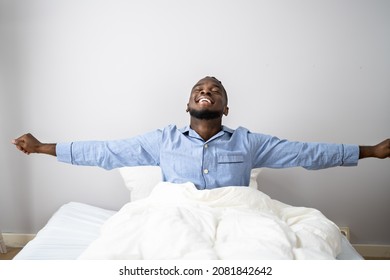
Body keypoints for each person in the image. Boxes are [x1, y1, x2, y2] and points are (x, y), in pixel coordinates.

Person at [12, 76, 390, 189]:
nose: (205, 92)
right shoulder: (163, 140)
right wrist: (44, 146)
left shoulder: (250, 142)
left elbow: (306, 153)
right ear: (188, 104)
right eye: (199, 90)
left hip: (238, 217)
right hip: (177, 216)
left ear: (225, 107)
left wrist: (372, 151)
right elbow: (108, 151)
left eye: (215, 90)